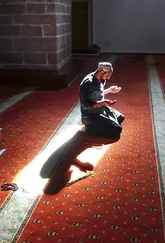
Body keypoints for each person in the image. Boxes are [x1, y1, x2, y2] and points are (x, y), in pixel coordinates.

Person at [40, 62, 125, 194]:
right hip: (91, 115)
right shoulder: (88, 83)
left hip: (101, 110)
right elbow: (87, 106)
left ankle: (91, 136)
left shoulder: (99, 79)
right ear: (101, 72)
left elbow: (98, 94)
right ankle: (88, 136)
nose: (108, 78)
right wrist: (104, 102)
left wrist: (109, 91)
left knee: (120, 118)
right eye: (108, 75)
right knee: (116, 130)